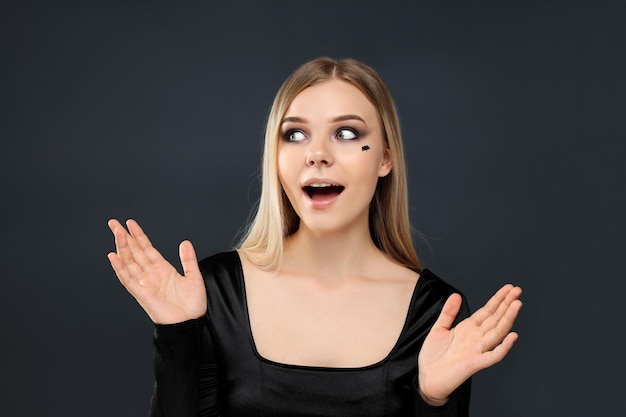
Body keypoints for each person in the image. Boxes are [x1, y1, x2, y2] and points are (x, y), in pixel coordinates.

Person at [107, 57, 523, 416]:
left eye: (346, 134)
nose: (316, 153)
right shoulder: (212, 292)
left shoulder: (435, 312)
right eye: (295, 134)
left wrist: (433, 402)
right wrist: (178, 333)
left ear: (385, 158)